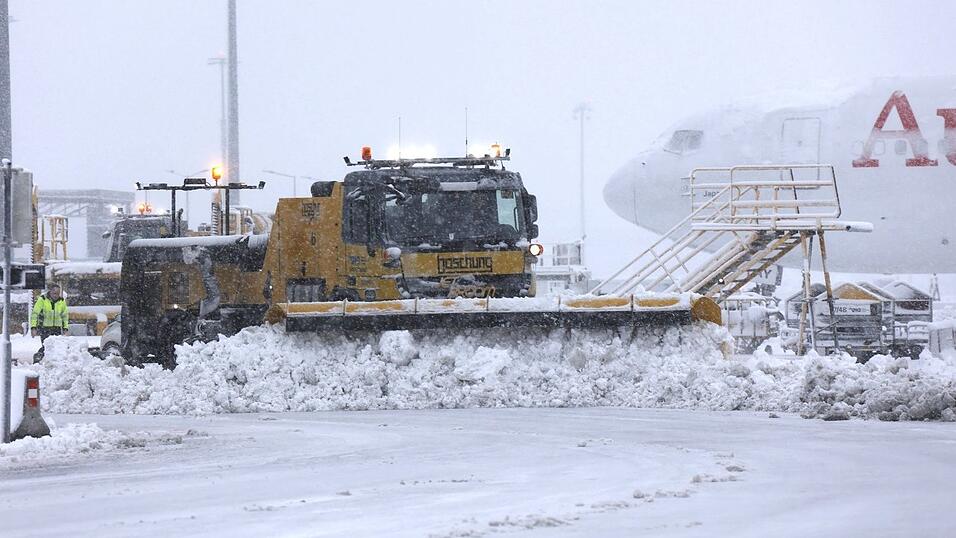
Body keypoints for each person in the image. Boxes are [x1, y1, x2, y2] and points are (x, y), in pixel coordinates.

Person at [30, 283, 69, 360]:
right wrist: (33, 327)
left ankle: (53, 362)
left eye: (58, 293)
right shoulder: (42, 299)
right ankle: (38, 359)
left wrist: (65, 328)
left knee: (56, 346)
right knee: (46, 346)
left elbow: (65, 316)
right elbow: (35, 314)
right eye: (54, 293)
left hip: (57, 328)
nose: (56, 295)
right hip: (45, 327)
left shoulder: (61, 301)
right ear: (50, 292)